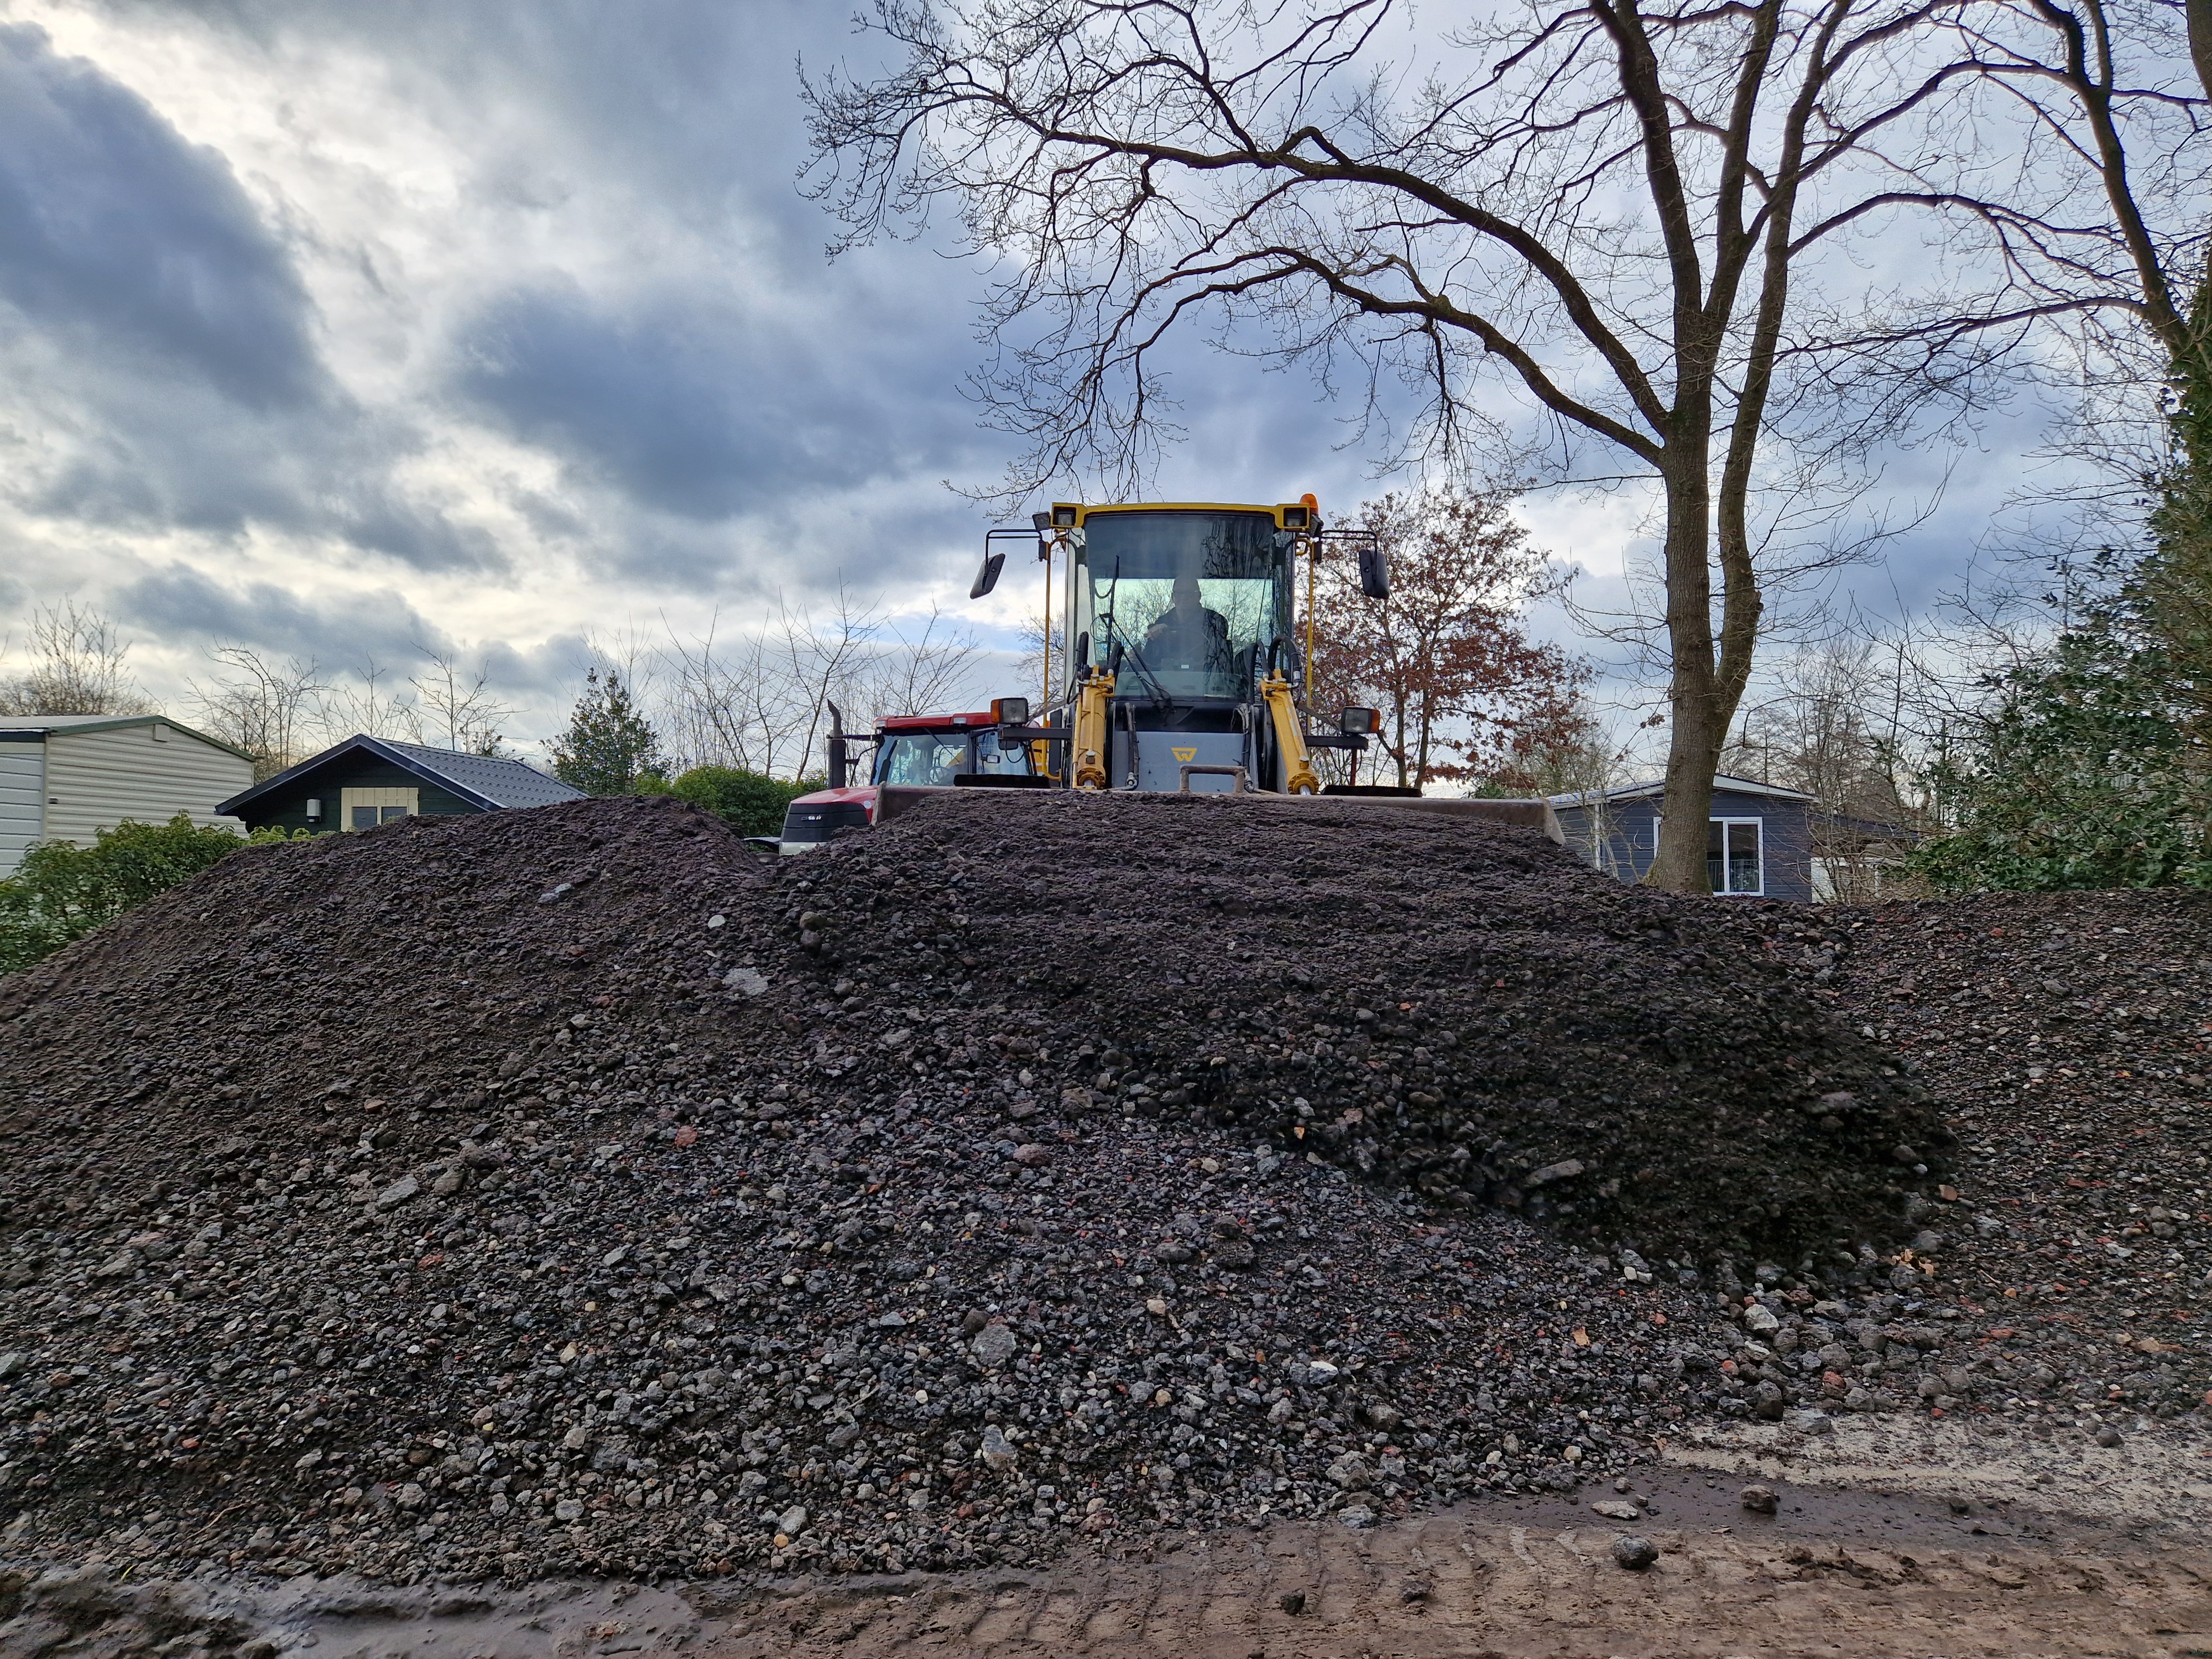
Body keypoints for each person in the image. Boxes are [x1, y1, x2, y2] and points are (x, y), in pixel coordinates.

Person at [1141, 572, 1232, 676]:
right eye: (1179, 593)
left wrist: (1174, 634)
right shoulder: (1161, 623)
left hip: (1207, 684)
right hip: (1164, 686)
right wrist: (1138, 659)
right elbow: (1150, 661)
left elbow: (1216, 649)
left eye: (1189, 593)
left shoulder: (1215, 621)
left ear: (1199, 596)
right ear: (1173, 597)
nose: (1183, 597)